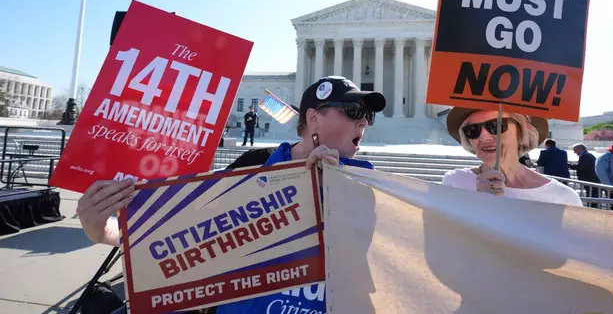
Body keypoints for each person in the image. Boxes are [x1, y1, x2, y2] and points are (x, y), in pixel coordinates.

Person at [75, 75, 386, 314]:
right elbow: (185, 239)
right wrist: (101, 230)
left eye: (368, 117)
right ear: (314, 118)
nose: (363, 121)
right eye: (354, 110)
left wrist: (333, 189)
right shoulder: (254, 165)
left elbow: (374, 268)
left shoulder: (364, 183)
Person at [441, 107, 582, 206]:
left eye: (496, 125)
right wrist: (479, 204)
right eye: (472, 130)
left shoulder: (563, 198)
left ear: (522, 130)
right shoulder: (455, 182)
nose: (483, 137)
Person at [568, 143, 600, 207]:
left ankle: (592, 210)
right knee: (592, 196)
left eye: (575, 150)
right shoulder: (587, 155)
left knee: (592, 197)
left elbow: (580, 166)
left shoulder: (585, 156)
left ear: (580, 149)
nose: (574, 152)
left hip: (590, 180)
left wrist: (568, 165)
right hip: (591, 180)